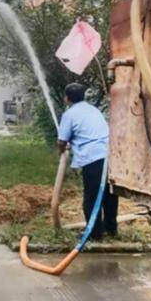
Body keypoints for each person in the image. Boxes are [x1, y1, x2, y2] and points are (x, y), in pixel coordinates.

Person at [57, 82, 118, 240]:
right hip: (110, 154)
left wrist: (61, 151)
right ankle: (111, 229)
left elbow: (62, 141)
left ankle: (94, 234)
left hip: (92, 157)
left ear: (66, 98)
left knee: (91, 198)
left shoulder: (69, 114)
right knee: (109, 195)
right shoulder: (93, 110)